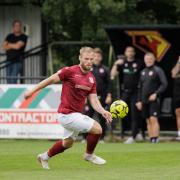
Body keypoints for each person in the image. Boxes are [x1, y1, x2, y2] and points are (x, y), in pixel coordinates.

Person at [24, 47, 112, 169]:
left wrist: (103, 111)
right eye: (86, 59)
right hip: (67, 114)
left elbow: (94, 99)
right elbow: (49, 80)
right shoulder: (69, 71)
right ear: (80, 58)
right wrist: (31, 91)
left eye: (91, 59)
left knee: (67, 143)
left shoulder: (91, 78)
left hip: (75, 115)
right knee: (97, 129)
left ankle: (44, 157)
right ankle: (89, 155)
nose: (89, 61)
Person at [111, 46, 144, 144]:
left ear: (133, 53)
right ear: (125, 53)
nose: (129, 53)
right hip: (125, 91)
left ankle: (133, 136)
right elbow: (113, 75)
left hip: (136, 92)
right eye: (128, 51)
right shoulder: (122, 63)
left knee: (135, 114)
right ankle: (135, 131)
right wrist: (116, 64)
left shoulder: (139, 63)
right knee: (119, 111)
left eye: (131, 51)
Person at [136, 52, 167, 143]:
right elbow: (140, 88)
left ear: (154, 59)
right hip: (144, 100)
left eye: (150, 59)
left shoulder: (158, 70)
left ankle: (156, 138)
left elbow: (164, 84)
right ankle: (151, 138)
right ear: (145, 60)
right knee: (148, 120)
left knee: (153, 118)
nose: (148, 60)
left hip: (154, 100)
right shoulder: (143, 72)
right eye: (147, 59)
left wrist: (156, 94)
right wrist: (139, 101)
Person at [83, 48, 112, 143]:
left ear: (101, 57)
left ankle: (102, 138)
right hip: (90, 97)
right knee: (87, 117)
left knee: (102, 117)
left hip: (102, 97)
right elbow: (84, 83)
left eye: (98, 56)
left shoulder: (105, 69)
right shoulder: (88, 68)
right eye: (94, 56)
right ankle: (85, 138)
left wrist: (109, 95)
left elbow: (109, 84)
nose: (96, 58)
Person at [171, 56, 180, 140]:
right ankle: (179, 134)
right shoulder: (177, 64)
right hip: (178, 94)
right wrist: (179, 62)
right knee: (178, 113)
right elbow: (173, 74)